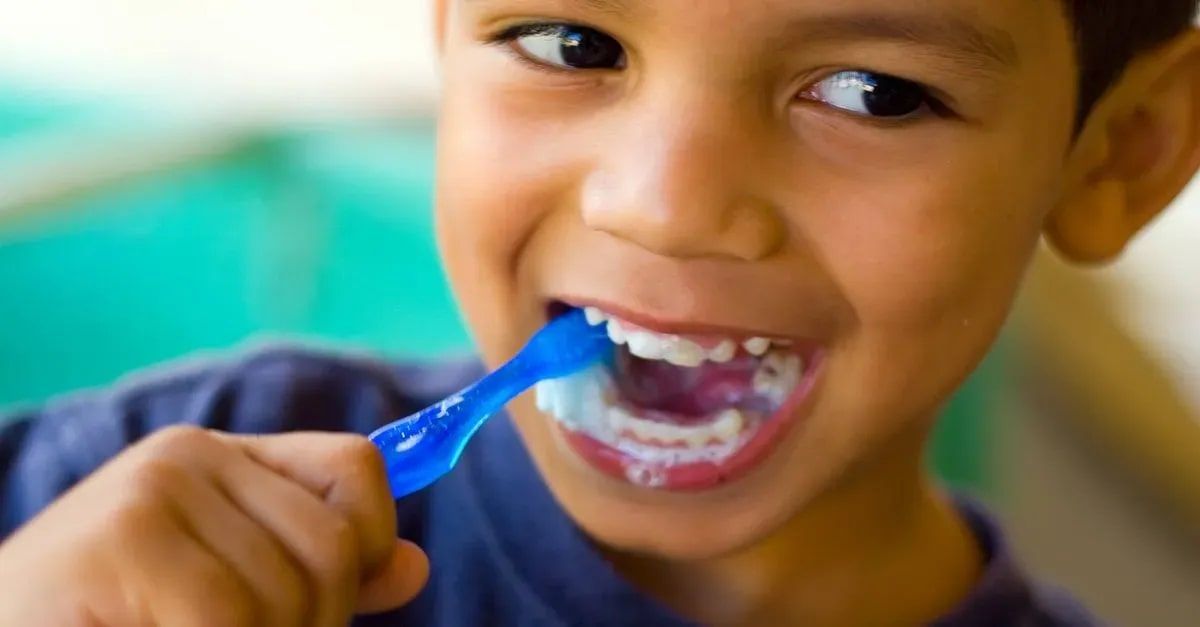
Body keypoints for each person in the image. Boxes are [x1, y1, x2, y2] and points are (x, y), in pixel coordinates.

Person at [3, 1, 1199, 625]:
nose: (664, 204)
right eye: (570, 41)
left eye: (873, 94)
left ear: (1119, 156)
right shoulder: (115, 502)